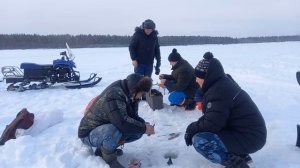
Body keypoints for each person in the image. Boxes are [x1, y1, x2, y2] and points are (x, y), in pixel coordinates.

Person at [184, 52, 267, 168]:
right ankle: (241, 155)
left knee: (201, 141)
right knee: (206, 131)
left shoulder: (219, 91)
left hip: (251, 137)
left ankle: (237, 164)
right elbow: (213, 117)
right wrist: (195, 127)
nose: (196, 80)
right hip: (247, 133)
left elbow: (211, 124)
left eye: (198, 77)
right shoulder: (220, 84)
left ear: (207, 77)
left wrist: (191, 129)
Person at [78, 74, 155, 168]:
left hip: (102, 129)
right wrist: (144, 128)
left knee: (137, 131)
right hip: (88, 133)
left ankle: (104, 150)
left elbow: (133, 117)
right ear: (135, 90)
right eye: (141, 93)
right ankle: (109, 160)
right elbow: (121, 122)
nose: (141, 97)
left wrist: (143, 125)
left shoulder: (130, 95)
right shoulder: (114, 93)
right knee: (114, 129)